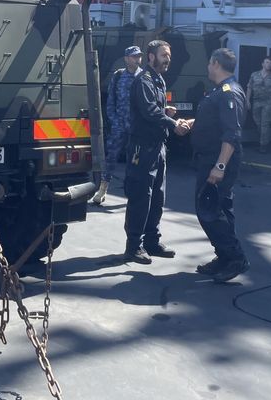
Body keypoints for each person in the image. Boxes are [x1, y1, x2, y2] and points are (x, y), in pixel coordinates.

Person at [123, 39, 190, 264]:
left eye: (169, 55)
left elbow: (154, 108)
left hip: (158, 146)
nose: (168, 59)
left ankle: (152, 241)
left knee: (157, 197)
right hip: (142, 147)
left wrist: (166, 110)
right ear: (151, 57)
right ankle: (134, 246)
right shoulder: (143, 80)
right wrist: (173, 123)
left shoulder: (158, 79)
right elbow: (149, 111)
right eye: (164, 55)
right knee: (141, 196)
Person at [187, 48, 250, 283]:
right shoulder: (220, 91)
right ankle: (223, 257)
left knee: (209, 211)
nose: (207, 67)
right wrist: (193, 122)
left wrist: (220, 166)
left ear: (215, 63)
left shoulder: (228, 92)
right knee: (220, 210)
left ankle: (236, 258)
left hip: (218, 160)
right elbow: (215, 121)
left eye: (209, 63)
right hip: (209, 157)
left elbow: (231, 133)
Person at [92, 45, 143, 205]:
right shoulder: (119, 75)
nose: (137, 59)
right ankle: (103, 189)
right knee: (111, 158)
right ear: (127, 58)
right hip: (119, 125)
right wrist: (113, 120)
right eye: (134, 56)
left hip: (136, 126)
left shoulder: (144, 76)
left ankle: (132, 191)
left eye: (139, 56)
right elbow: (111, 100)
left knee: (134, 160)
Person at [246, 57, 271, 153]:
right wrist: (247, 100)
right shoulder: (254, 75)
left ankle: (263, 145)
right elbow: (249, 88)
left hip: (267, 102)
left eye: (270, 63)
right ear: (262, 64)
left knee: (265, 123)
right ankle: (262, 140)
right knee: (258, 122)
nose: (269, 64)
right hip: (256, 101)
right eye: (267, 62)